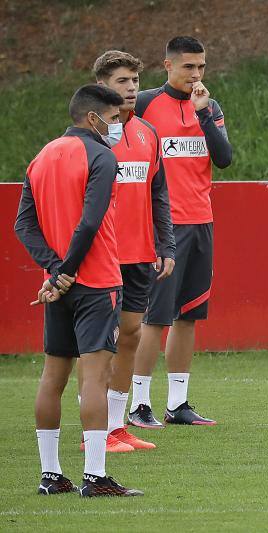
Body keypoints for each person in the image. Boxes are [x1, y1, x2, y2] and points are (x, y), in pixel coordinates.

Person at [15, 84, 143, 497]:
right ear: (93, 118)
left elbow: (24, 226)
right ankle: (95, 476)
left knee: (53, 376)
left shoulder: (41, 157)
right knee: (95, 377)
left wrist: (54, 272)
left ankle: (51, 475)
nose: (118, 126)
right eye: (115, 118)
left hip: (60, 286)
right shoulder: (101, 156)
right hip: (98, 281)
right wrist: (67, 269)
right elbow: (89, 223)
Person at [131, 36, 232, 426]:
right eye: (188, 67)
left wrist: (204, 114)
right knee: (155, 317)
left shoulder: (210, 106)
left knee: (188, 315)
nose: (196, 74)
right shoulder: (144, 105)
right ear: (168, 66)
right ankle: (139, 404)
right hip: (162, 227)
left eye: (202, 67)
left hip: (201, 221)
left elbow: (223, 159)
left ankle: (178, 403)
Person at [85, 50, 175, 442]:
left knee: (132, 334)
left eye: (136, 82)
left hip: (139, 254)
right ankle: (96, 427)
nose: (132, 89)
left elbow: (159, 192)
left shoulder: (146, 133)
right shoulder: (88, 138)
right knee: (100, 344)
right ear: (102, 87)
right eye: (123, 82)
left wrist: (166, 244)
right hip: (101, 255)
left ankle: (117, 426)